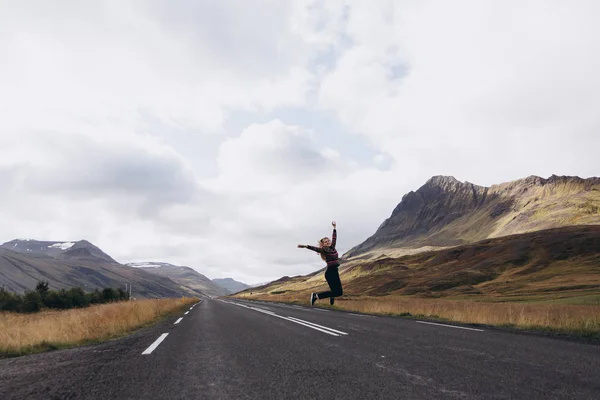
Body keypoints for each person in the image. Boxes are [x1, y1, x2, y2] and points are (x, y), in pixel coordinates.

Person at [297, 221, 343, 306]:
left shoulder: (333, 247)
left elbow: (334, 238)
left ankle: (331, 296)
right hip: (330, 273)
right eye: (325, 242)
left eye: (328, 240)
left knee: (339, 293)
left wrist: (334, 228)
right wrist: (305, 246)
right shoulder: (323, 250)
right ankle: (316, 296)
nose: (328, 242)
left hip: (335, 271)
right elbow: (315, 249)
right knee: (337, 292)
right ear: (323, 244)